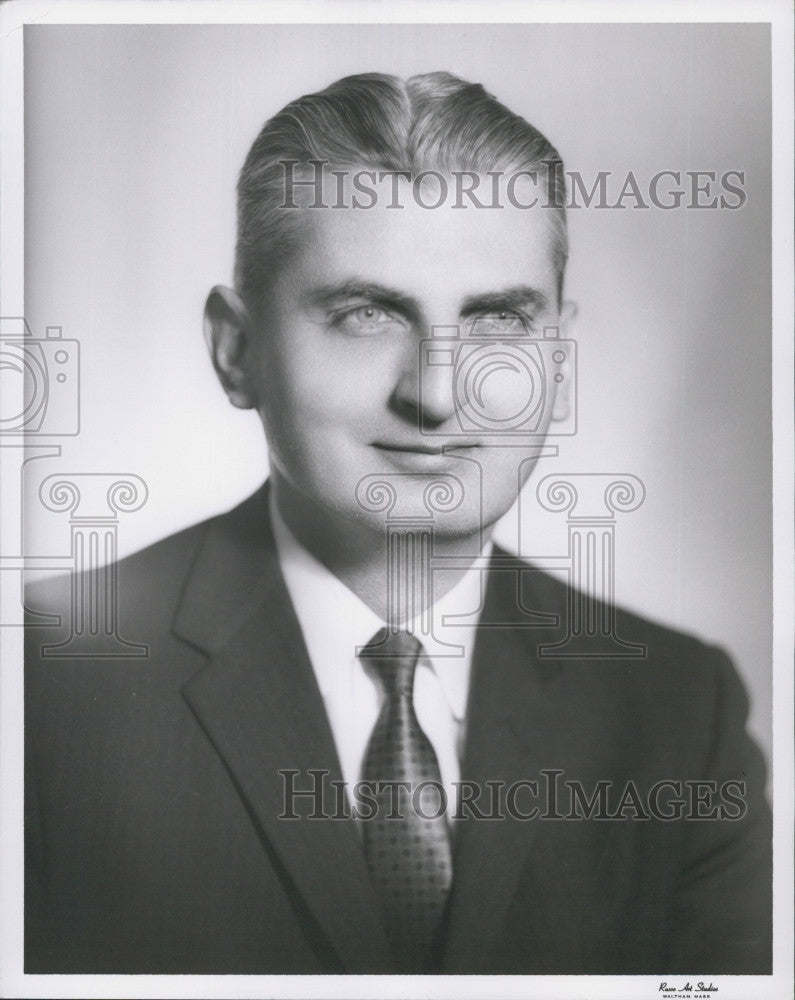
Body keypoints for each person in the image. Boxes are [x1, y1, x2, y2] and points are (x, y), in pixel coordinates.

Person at [24, 72, 771, 975]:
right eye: (366, 314)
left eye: (496, 320)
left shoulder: (679, 714)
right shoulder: (38, 690)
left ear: (558, 367)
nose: (438, 393)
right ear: (236, 350)